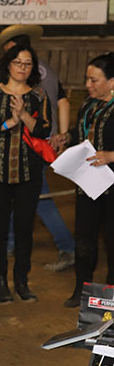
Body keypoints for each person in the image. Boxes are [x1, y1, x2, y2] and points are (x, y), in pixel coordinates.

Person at [0, 25, 75, 272]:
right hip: (43, 139)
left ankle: (67, 247)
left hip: (27, 142)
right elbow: (63, 101)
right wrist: (61, 135)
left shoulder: (19, 75)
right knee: (24, 195)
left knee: (40, 199)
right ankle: (11, 242)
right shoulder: (48, 69)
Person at [0, 44, 51, 304]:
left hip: (29, 175)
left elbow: (44, 129)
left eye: (27, 63)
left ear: (33, 68)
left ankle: (21, 280)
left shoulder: (39, 95)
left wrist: (23, 116)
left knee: (24, 229)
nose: (22, 67)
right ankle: (0, 279)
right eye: (18, 62)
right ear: (8, 64)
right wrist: (9, 122)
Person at [51, 54, 114, 308]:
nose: (88, 84)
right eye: (87, 79)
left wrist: (111, 155)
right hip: (87, 184)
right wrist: (67, 137)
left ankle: (110, 292)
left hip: (112, 187)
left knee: (112, 239)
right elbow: (83, 132)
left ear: (112, 81)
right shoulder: (88, 104)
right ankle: (82, 289)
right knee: (84, 239)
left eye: (94, 79)